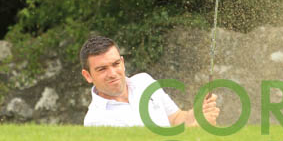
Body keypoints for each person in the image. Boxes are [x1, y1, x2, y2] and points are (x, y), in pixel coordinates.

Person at [79, 35, 219, 127]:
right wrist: (196, 128)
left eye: (116, 64)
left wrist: (196, 113)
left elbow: (176, 119)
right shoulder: (96, 120)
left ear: (122, 62)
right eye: (102, 69)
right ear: (88, 76)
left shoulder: (144, 81)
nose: (112, 73)